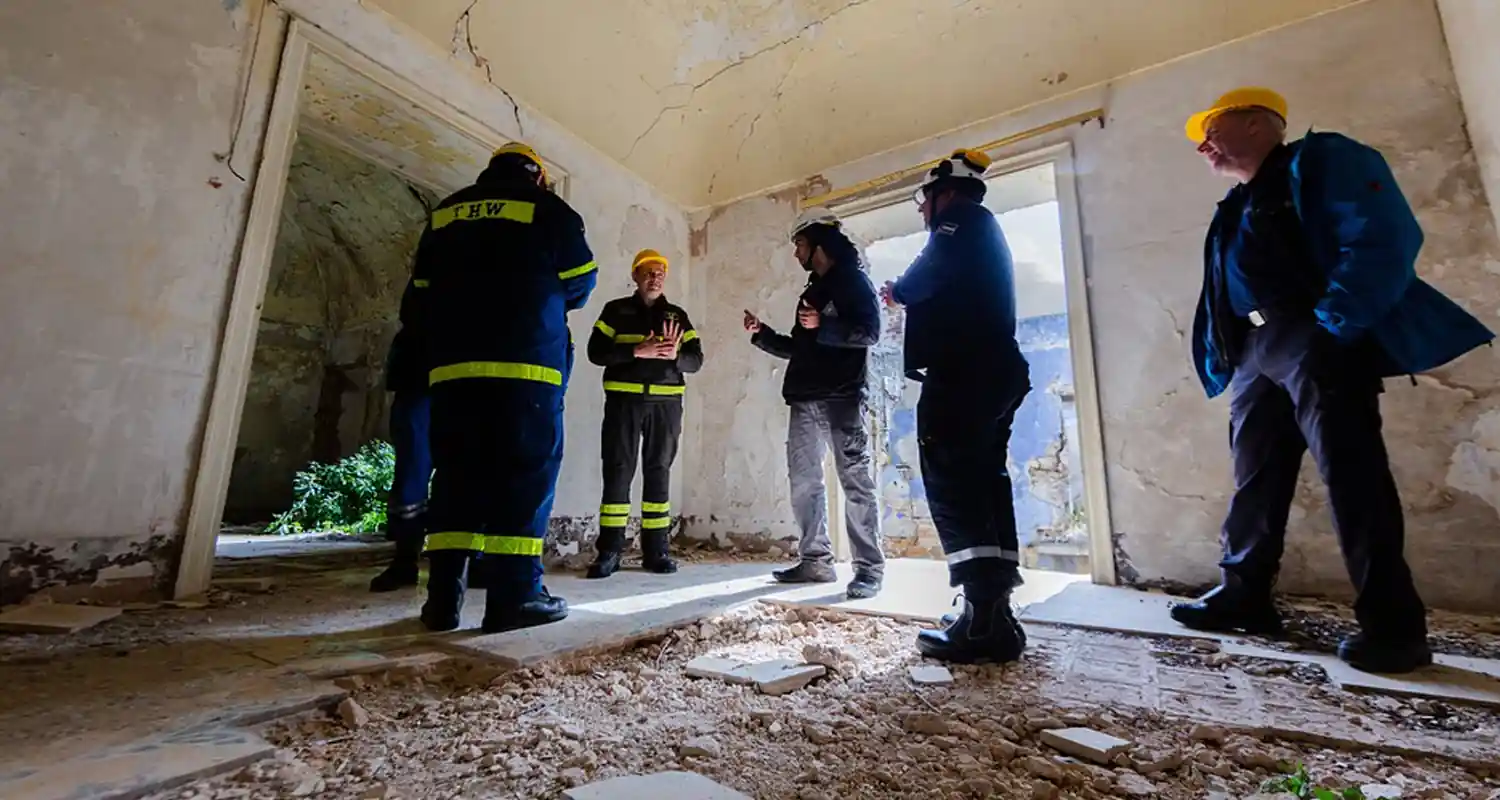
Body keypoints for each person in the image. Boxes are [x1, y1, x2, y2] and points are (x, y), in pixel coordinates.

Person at [1173, 88, 1494, 673]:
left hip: (1315, 331)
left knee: (1353, 474)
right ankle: (1244, 594)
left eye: (1213, 128)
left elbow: (1383, 238)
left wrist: (1334, 324)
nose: (1203, 145)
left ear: (1254, 123)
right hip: (1256, 347)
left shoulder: (1321, 160)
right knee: (1255, 477)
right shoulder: (1235, 205)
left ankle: (1394, 629)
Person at [414, 141, 599, 633]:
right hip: (525, 370)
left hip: (453, 372)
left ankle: (441, 601)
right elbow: (581, 283)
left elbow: (422, 293)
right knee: (524, 477)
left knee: (455, 478)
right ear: (537, 176)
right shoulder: (550, 210)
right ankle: (513, 598)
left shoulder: (445, 213)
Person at [879, 149, 1032, 664]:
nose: (922, 211)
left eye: (924, 200)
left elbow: (922, 278)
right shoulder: (980, 229)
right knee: (985, 485)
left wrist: (897, 292)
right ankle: (993, 614)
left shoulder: (959, 221)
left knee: (954, 483)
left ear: (943, 192)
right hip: (991, 370)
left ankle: (981, 621)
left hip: (965, 373)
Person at [745, 207, 885, 599]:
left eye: (800, 245)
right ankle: (815, 562)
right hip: (804, 399)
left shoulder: (855, 282)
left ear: (820, 244)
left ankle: (869, 569)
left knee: (855, 481)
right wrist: (762, 335)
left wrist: (825, 326)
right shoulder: (812, 290)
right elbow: (801, 347)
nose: (796, 254)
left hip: (842, 399)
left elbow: (870, 332)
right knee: (804, 481)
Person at [584, 249, 704, 578]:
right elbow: (595, 352)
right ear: (635, 276)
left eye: (660, 273)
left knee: (658, 474)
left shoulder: (678, 316)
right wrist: (637, 350)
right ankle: (609, 552)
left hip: (666, 407)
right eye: (648, 272)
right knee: (618, 473)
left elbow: (696, 360)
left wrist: (675, 356)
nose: (655, 278)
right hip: (624, 404)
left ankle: (657, 552)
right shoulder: (616, 310)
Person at [367, 267, 435, 593]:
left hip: (451, 381)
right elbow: (412, 310)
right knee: (411, 473)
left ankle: (461, 562)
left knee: (465, 476)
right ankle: (405, 559)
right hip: (421, 380)